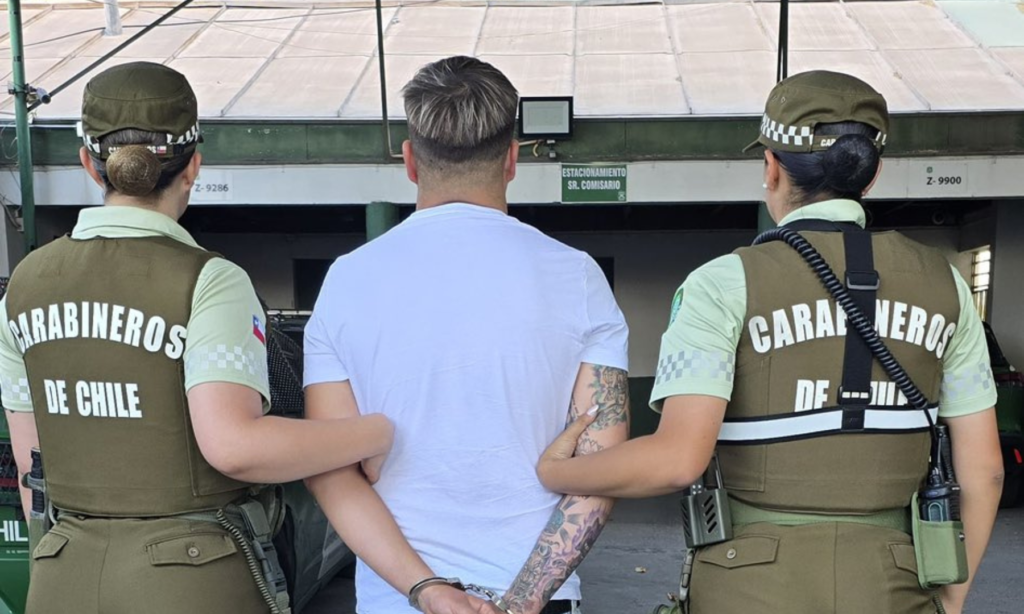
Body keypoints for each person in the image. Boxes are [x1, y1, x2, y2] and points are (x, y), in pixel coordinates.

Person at [537, 71, 1003, 614]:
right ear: (870, 176)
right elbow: (985, 471)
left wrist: (557, 471)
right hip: (896, 580)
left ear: (772, 166)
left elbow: (677, 460)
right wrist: (950, 598)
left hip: (746, 585)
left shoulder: (722, 283)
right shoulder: (945, 283)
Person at [0, 62, 393, 614]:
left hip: (62, 573)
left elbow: (31, 467)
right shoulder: (208, 279)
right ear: (193, 168)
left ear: (89, 163)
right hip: (192, 579)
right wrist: (375, 432)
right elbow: (235, 447)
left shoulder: (25, 285)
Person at [303, 56, 630, 614]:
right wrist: (522, 603)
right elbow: (601, 468)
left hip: (397, 597)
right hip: (538, 598)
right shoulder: (577, 277)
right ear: (511, 159)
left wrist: (426, 590)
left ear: (409, 160)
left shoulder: (347, 279)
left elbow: (329, 470)